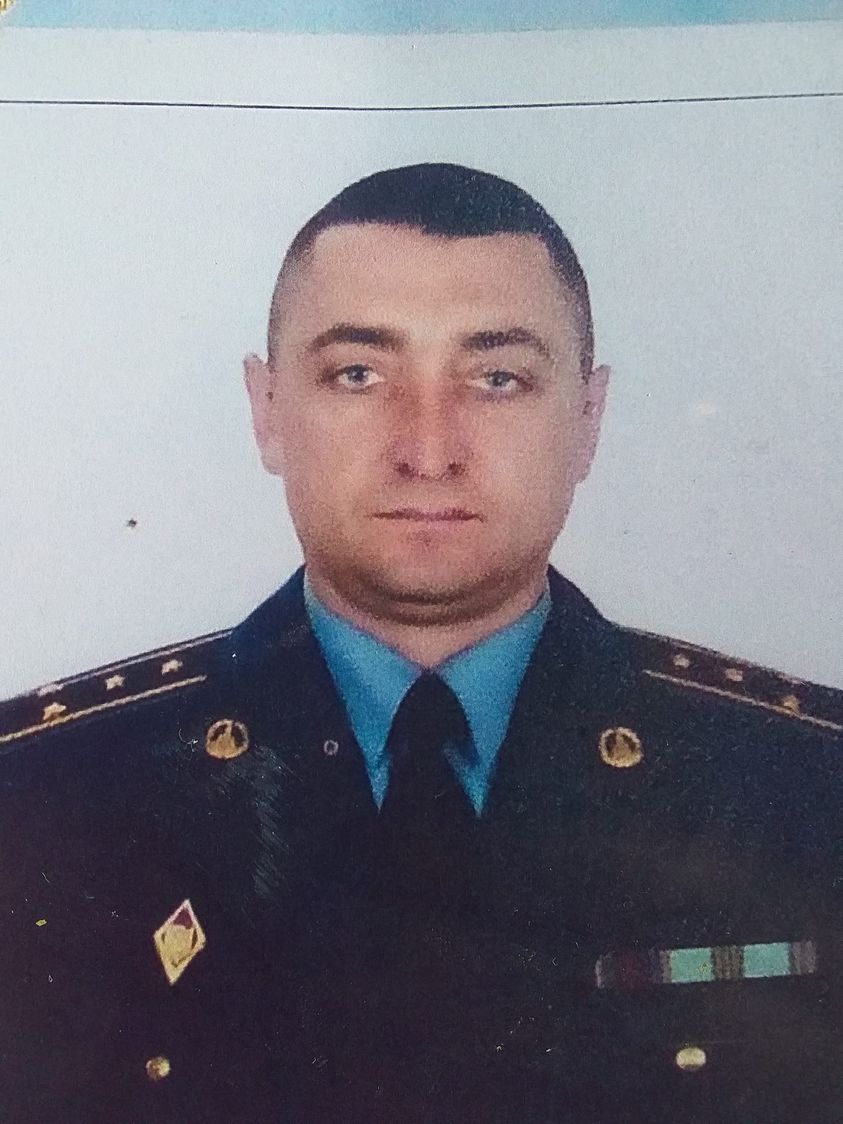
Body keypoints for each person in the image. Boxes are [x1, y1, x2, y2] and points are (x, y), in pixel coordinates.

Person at [0, 162, 840, 1124]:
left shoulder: (804, 787)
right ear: (267, 413)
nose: (428, 449)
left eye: (496, 379)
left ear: (587, 419)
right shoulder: (37, 798)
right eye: (358, 374)